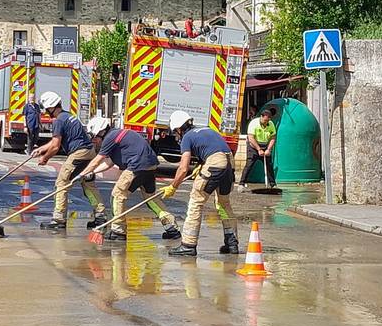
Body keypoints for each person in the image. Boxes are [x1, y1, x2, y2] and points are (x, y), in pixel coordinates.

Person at [80, 116, 181, 241]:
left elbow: (97, 160)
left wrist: (83, 174)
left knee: (117, 195)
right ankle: (171, 227)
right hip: (150, 166)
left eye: (95, 137)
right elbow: (109, 162)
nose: (94, 140)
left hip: (137, 166)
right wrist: (93, 172)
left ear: (101, 132)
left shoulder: (109, 138)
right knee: (151, 199)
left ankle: (118, 230)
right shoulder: (117, 135)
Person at [161, 110, 238, 257]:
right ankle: (232, 243)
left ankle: (188, 245)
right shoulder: (207, 129)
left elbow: (183, 168)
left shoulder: (187, 137)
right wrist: (202, 164)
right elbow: (213, 148)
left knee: (196, 202)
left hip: (215, 163)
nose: (176, 136)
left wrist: (173, 186)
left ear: (178, 129)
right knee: (223, 204)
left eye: (176, 132)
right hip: (229, 164)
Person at [32, 91, 107, 231]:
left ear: (51, 107)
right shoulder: (68, 116)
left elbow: (55, 146)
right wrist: (41, 149)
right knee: (89, 185)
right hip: (89, 152)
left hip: (78, 154)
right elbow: (54, 142)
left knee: (61, 184)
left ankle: (58, 220)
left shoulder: (58, 121)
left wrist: (45, 158)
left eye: (46, 109)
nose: (46, 111)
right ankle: (100, 215)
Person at [238, 109, 277, 190]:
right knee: (249, 165)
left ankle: (273, 185)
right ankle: (241, 184)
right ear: (261, 117)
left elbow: (273, 137)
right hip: (253, 146)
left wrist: (269, 149)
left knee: (269, 165)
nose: (266, 122)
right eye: (265, 120)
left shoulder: (270, 124)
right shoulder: (253, 123)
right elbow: (251, 138)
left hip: (265, 145)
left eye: (268, 120)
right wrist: (259, 149)